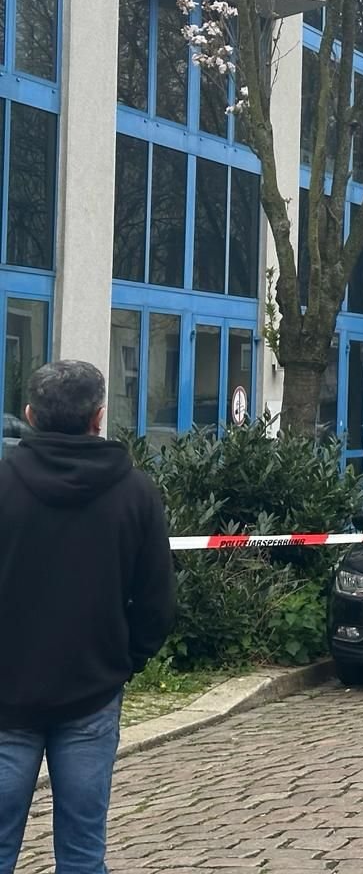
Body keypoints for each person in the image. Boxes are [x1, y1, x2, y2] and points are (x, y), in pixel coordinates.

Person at [0, 360, 176, 874]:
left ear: (30, 415)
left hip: (5, 698)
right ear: (99, 417)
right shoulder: (137, 493)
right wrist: (124, 661)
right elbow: (156, 603)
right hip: (93, 694)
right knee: (82, 853)